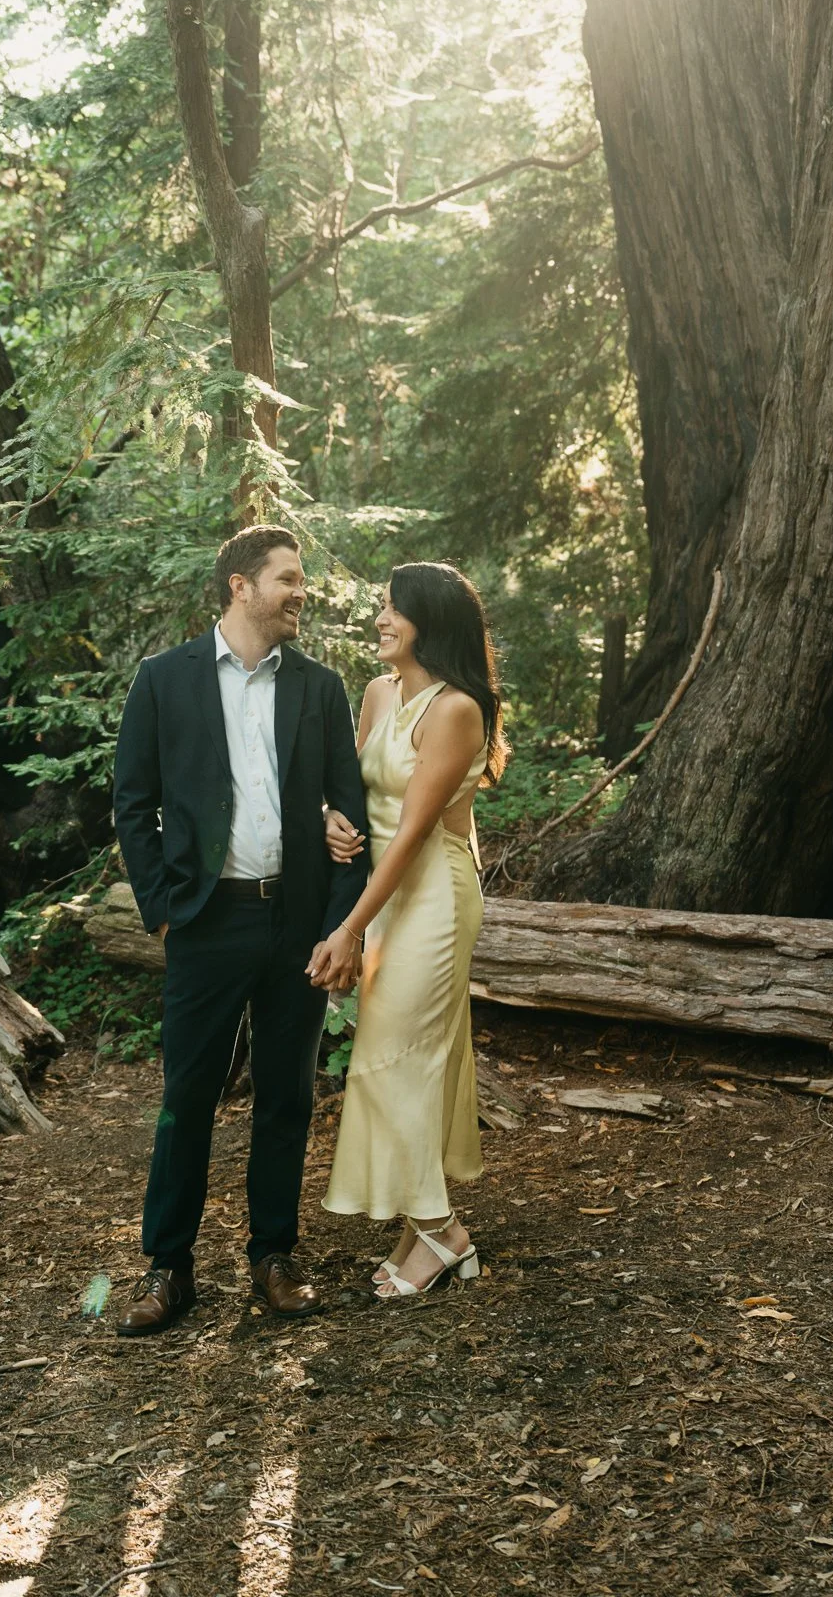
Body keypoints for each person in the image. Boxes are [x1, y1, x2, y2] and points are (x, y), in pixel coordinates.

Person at [112, 525, 370, 1335]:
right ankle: (168, 1268)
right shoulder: (163, 679)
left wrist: (340, 924)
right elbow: (132, 804)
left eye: (301, 579)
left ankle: (273, 1257)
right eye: (287, 578)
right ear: (240, 585)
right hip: (206, 921)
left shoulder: (320, 687)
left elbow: (350, 815)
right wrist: (163, 910)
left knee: (285, 1098)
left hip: (297, 923)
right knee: (186, 1098)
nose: (301, 592)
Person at [311, 561, 506, 1299]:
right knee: (392, 1056)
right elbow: (355, 795)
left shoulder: (456, 710)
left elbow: (415, 832)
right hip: (384, 892)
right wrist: (330, 819)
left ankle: (442, 1234)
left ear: (431, 620)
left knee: (401, 1059)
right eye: (381, 606)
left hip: (432, 897)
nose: (380, 619)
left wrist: (348, 929)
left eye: (394, 608)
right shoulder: (378, 692)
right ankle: (421, 1229)